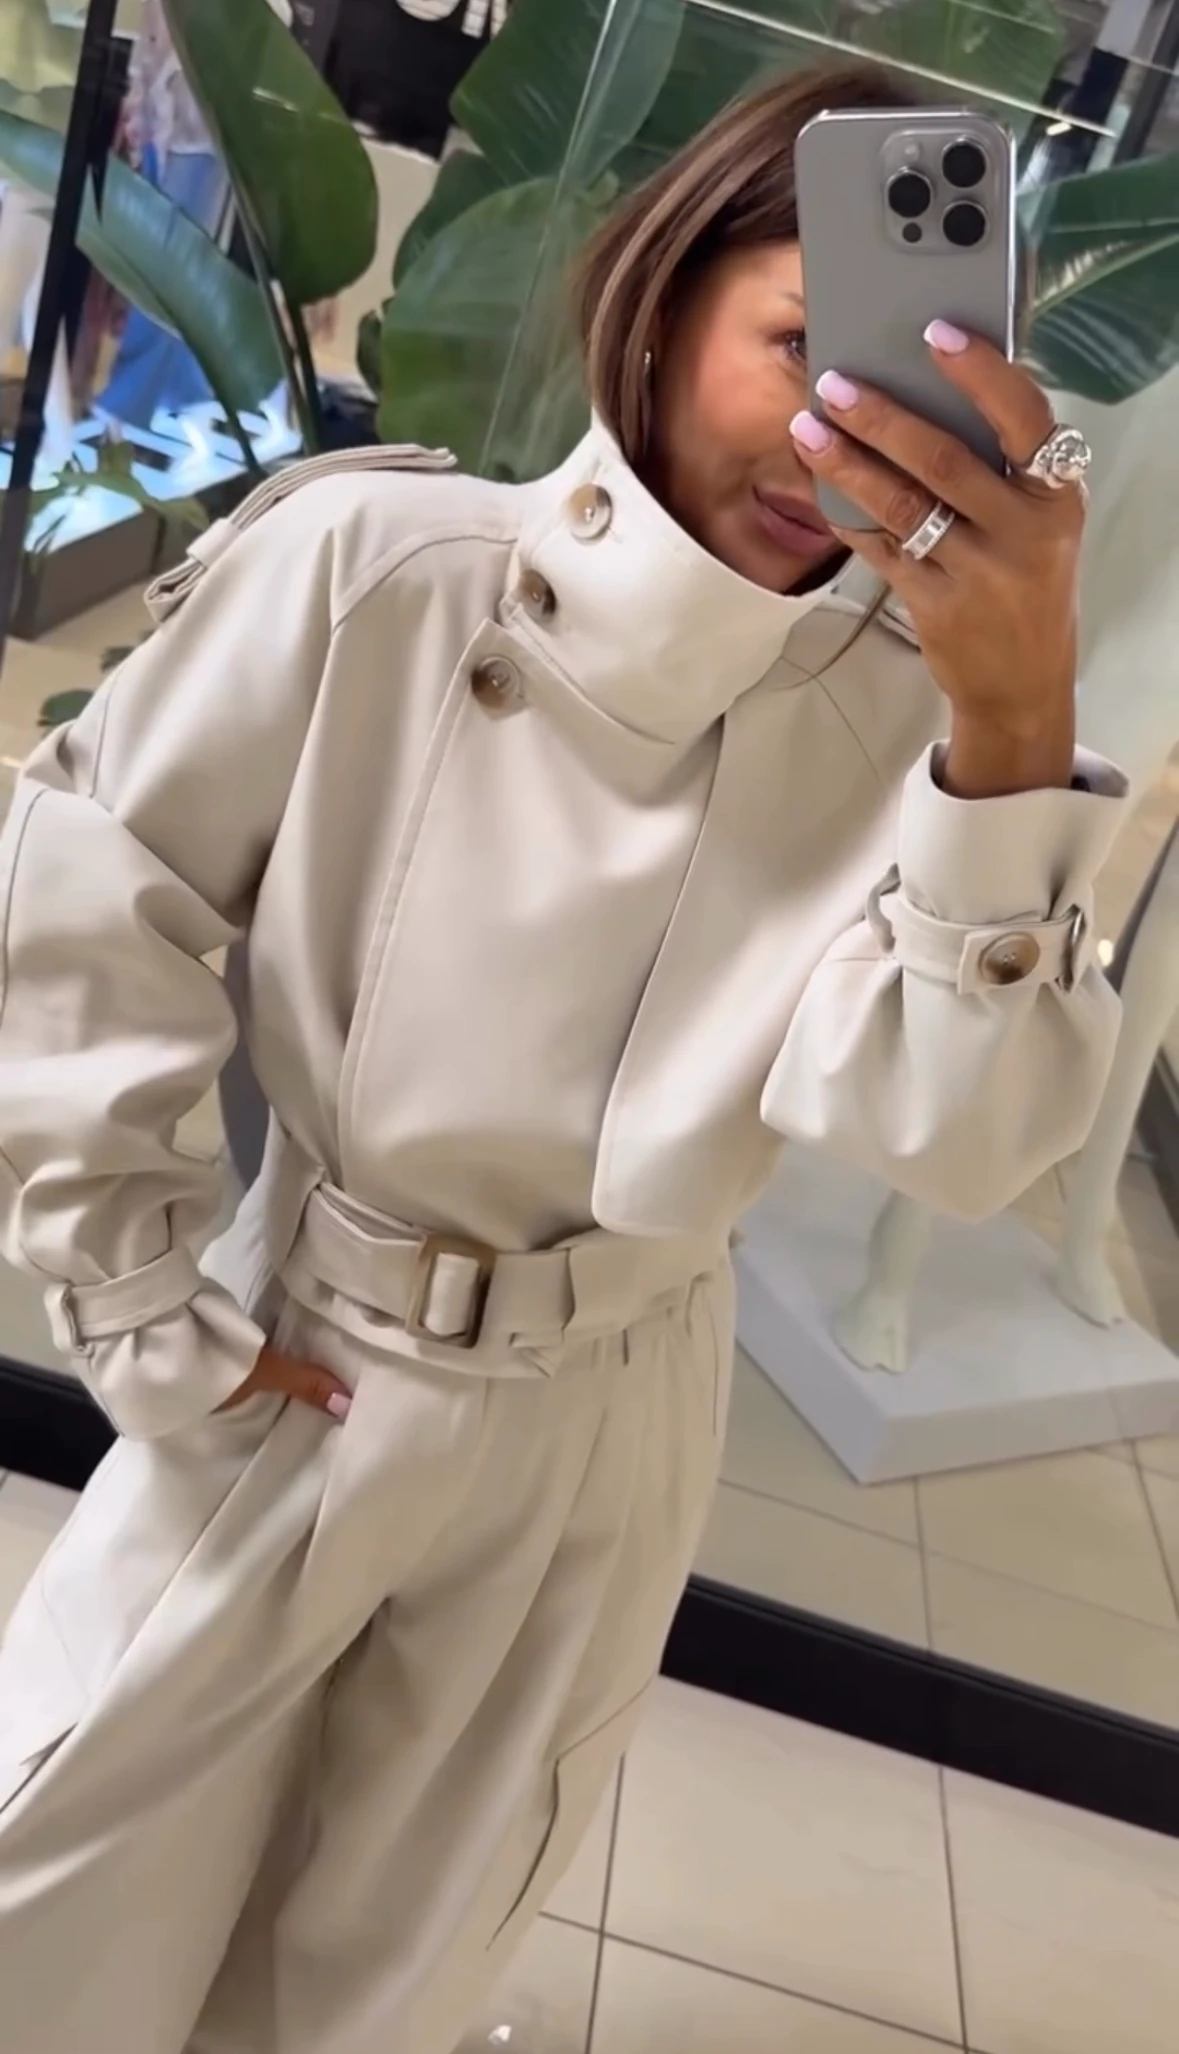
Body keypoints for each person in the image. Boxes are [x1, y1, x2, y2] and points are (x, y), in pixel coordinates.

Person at [0, 60, 1124, 2054]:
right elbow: (94, 888)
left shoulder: (930, 736)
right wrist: (137, 1288)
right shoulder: (381, 566)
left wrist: (1015, 725)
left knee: (392, 1964)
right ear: (666, 300)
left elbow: (953, 1142)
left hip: (612, 1414)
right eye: (801, 347)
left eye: (907, 382)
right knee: (63, 1874)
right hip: (309, 1339)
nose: (841, 433)